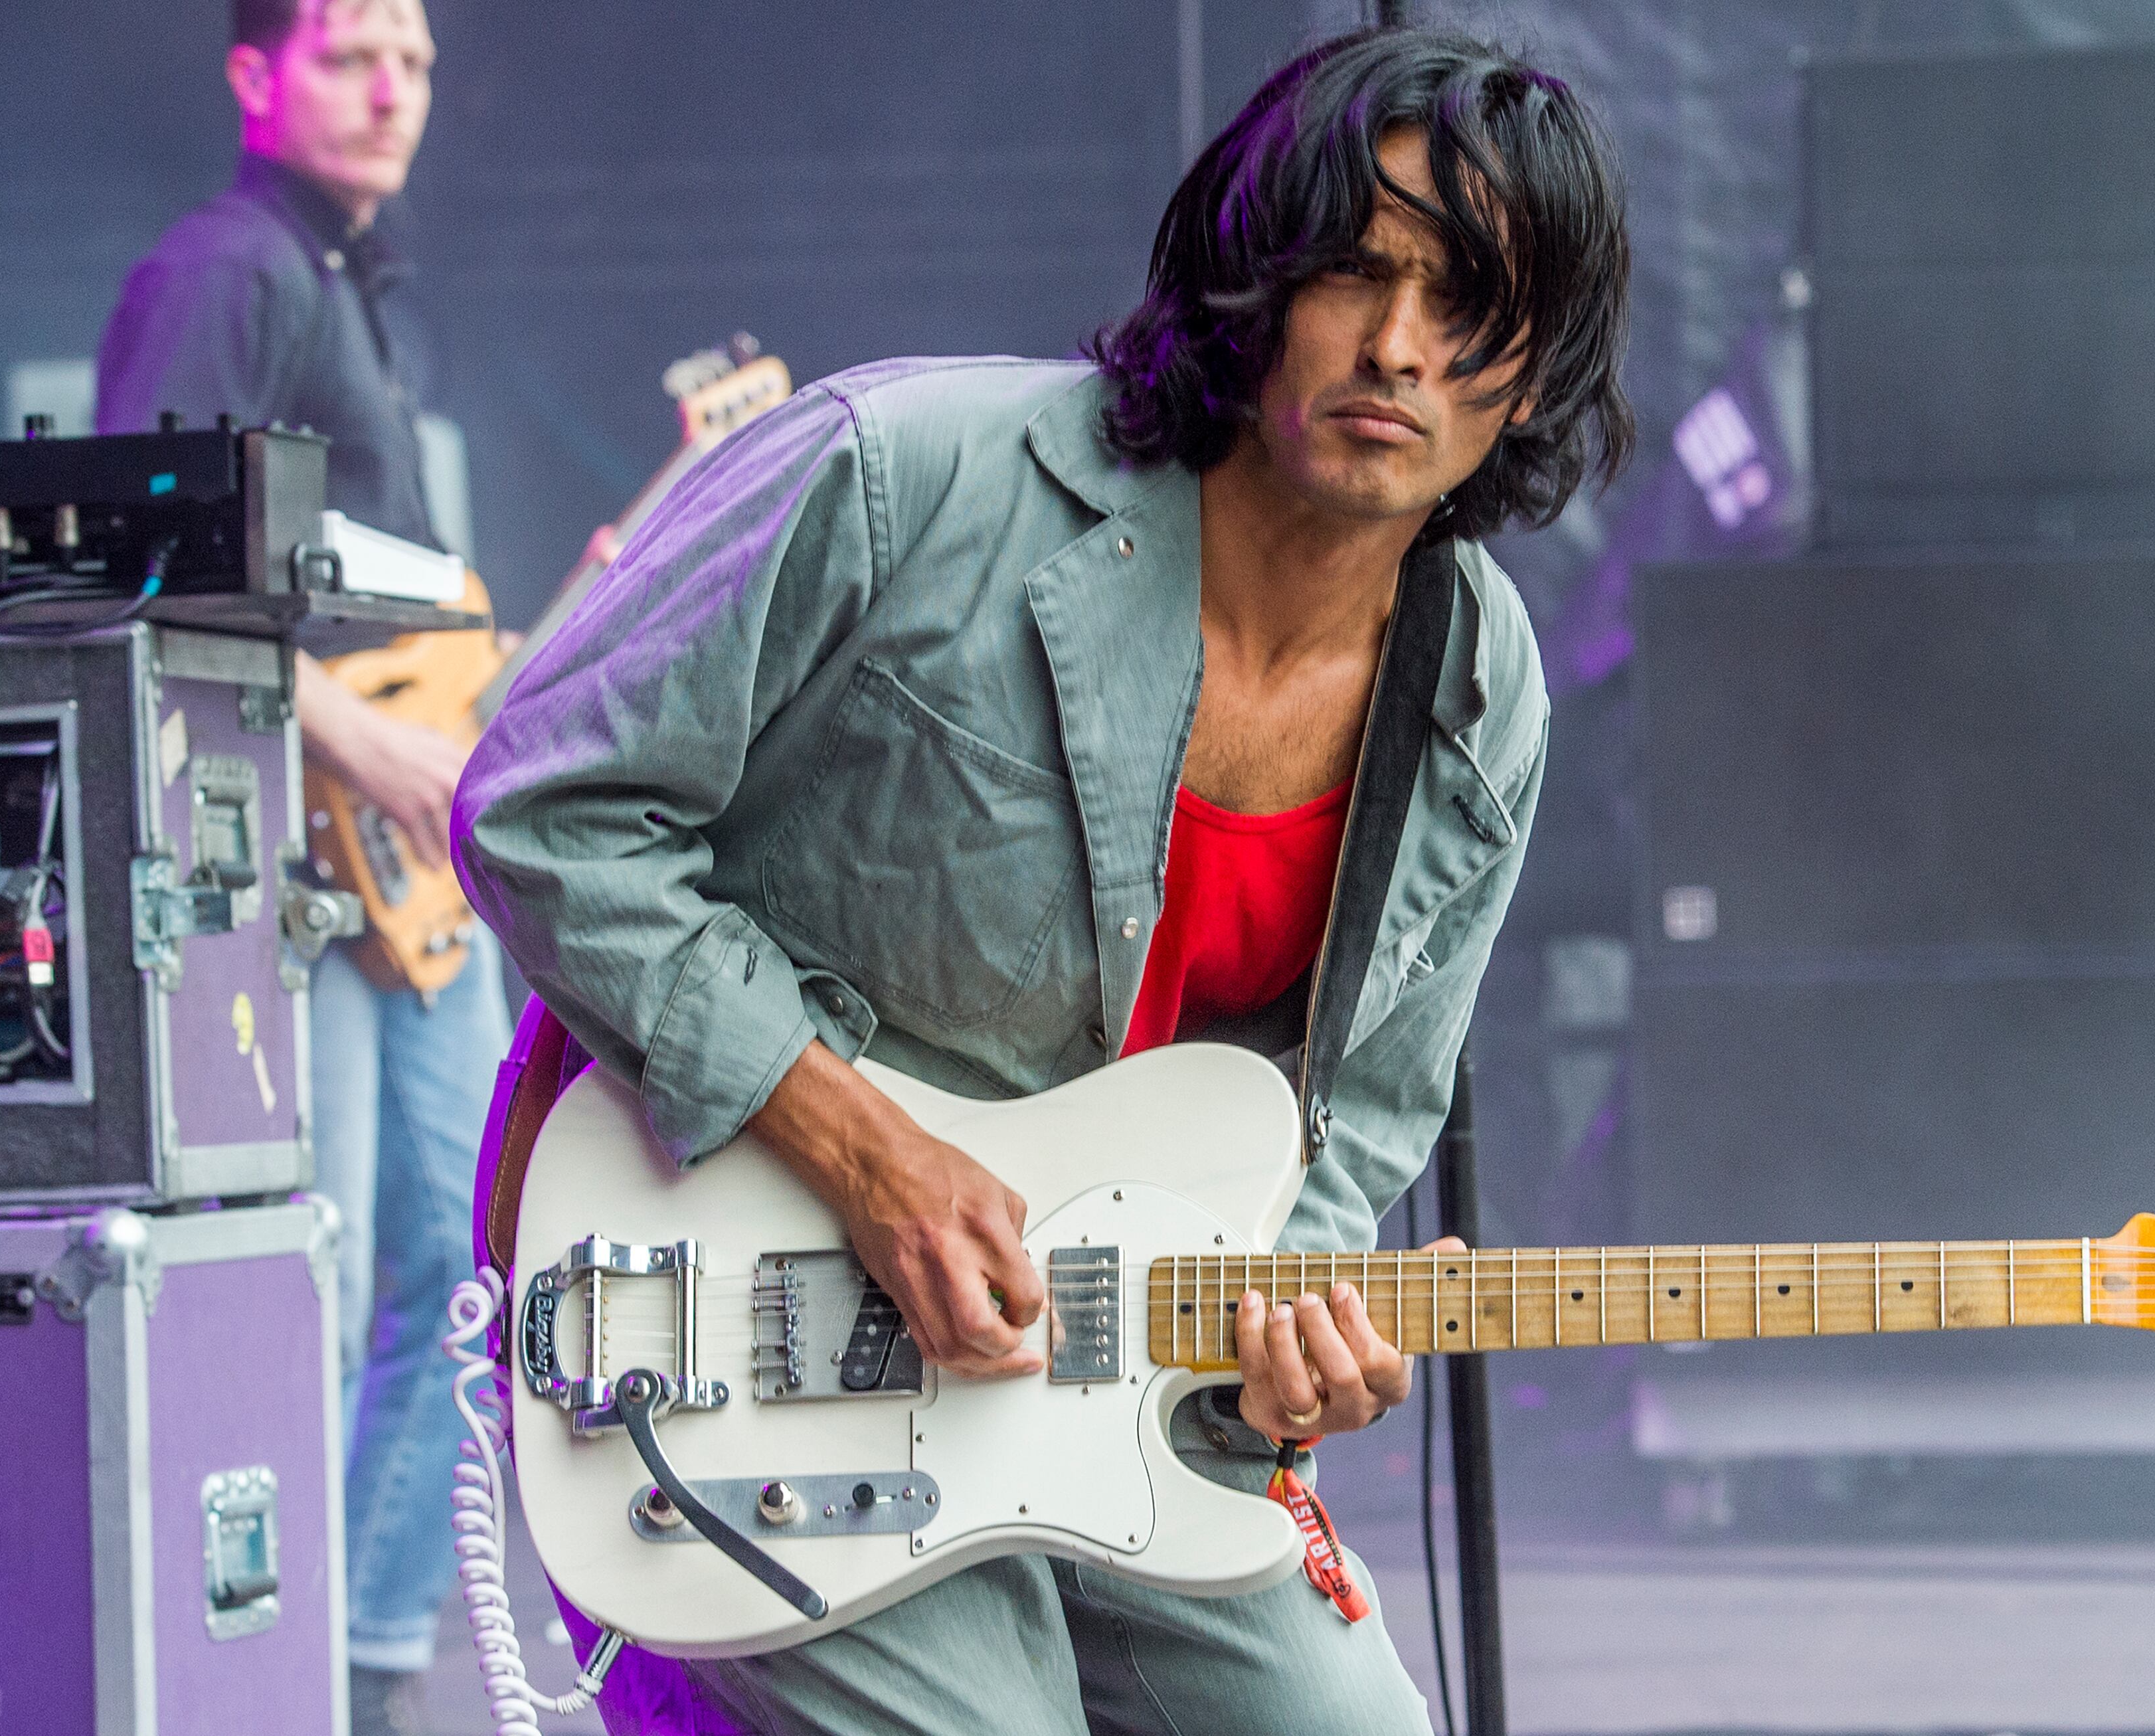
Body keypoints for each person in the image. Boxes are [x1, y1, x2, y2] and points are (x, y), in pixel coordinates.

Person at [456, 26, 1631, 1735]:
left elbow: (1360, 1116)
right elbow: (541, 805)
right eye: (1356, 273)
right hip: (753, 1333)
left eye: (1468, 305)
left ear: (1532, 376)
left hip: (1097, 1395)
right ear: (1254, 278)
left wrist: (1285, 1351)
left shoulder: (1479, 686)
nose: (1396, 347)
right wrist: (865, 1150)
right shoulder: (901, 474)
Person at [94, 4, 507, 1729]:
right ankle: (266, 1671)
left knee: (458, 1270)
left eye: (413, 58)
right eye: (351, 53)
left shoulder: (353, 286)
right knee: (311, 1286)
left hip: (390, 882)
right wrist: (375, 748)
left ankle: (360, 1661)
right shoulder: (226, 268)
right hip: (290, 862)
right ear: (256, 76)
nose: (392, 85)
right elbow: (140, 566)